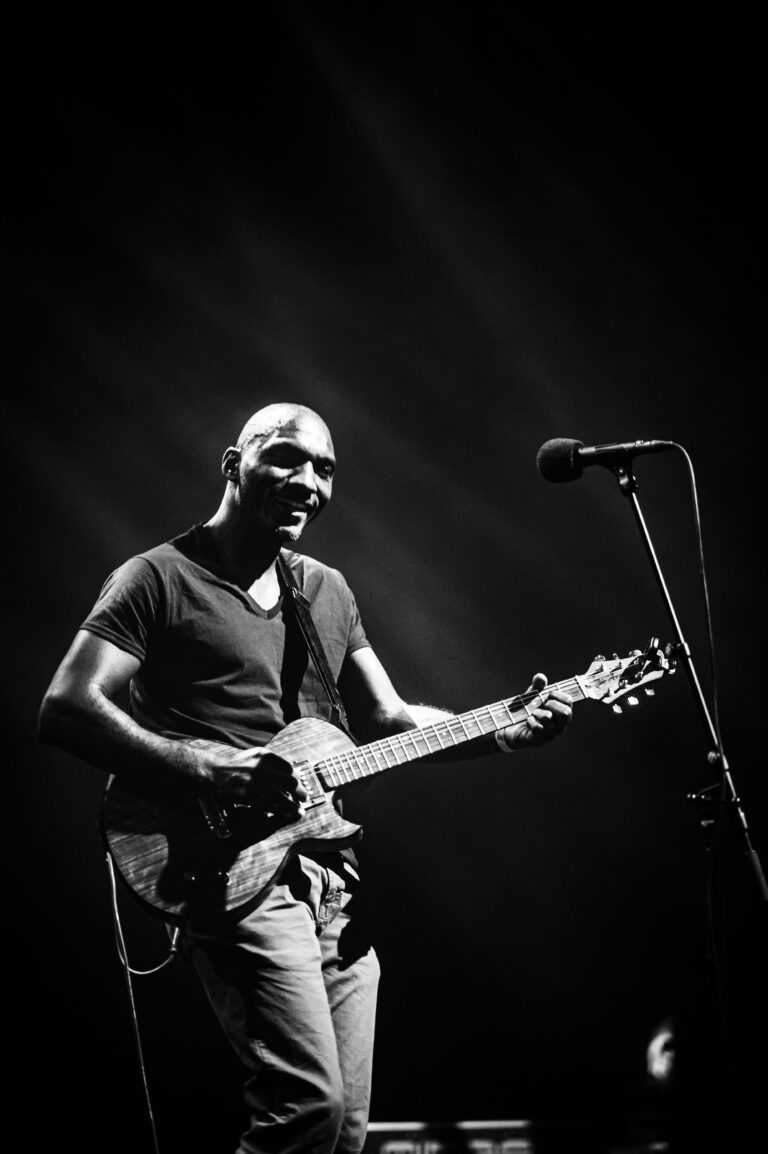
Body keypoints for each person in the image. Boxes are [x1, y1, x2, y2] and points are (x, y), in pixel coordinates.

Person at [38, 402, 573, 1154]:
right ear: (233, 463)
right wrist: (205, 763)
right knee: (306, 1107)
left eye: (324, 469)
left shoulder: (326, 590)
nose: (309, 481)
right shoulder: (158, 578)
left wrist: (503, 732)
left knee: (345, 1131)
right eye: (288, 458)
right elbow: (66, 706)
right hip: (231, 871)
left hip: (332, 876)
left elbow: (386, 720)